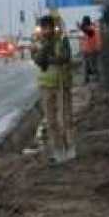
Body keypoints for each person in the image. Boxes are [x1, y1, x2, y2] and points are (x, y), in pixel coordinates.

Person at [34, 14, 75, 164]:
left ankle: (70, 148)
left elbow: (65, 57)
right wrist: (47, 49)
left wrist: (50, 59)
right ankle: (58, 151)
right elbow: (38, 60)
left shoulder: (62, 40)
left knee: (66, 118)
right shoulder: (39, 43)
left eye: (48, 27)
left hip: (62, 84)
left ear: (52, 27)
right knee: (51, 121)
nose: (46, 31)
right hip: (46, 87)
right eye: (43, 28)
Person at [79, 15, 102, 83]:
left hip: (93, 51)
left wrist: (98, 48)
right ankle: (86, 79)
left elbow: (91, 34)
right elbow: (81, 39)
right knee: (85, 66)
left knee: (94, 66)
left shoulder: (92, 29)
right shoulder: (84, 30)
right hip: (85, 51)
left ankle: (96, 78)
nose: (85, 26)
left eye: (85, 24)